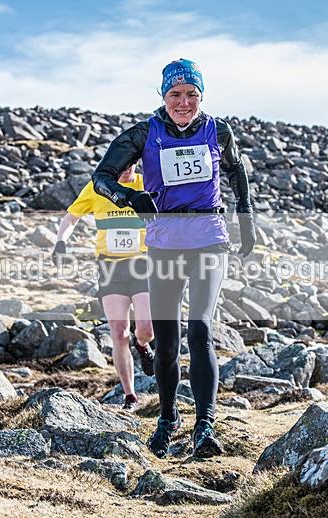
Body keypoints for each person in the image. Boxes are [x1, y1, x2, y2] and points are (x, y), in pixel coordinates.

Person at [91, 59, 257, 459]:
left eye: (191, 95)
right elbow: (102, 177)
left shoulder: (219, 130)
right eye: (175, 95)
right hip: (164, 244)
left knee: (199, 330)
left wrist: (246, 214)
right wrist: (131, 198)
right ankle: (168, 418)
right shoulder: (143, 133)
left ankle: (205, 424)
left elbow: (237, 172)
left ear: (201, 95)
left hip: (208, 240)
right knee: (166, 345)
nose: (184, 102)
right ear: (163, 96)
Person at [53, 163, 155, 411]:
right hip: (110, 269)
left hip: (144, 264)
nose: (126, 170)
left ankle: (142, 345)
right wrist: (60, 244)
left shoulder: (148, 183)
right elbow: (71, 218)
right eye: (121, 165)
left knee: (146, 329)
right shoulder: (98, 188)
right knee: (119, 332)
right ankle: (130, 396)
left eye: (130, 164)